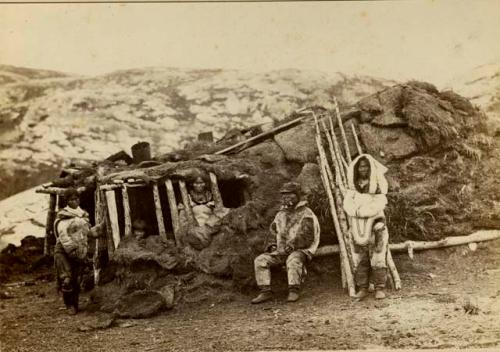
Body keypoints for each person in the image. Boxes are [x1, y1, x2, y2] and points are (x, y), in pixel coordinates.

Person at [251, 182, 320, 304]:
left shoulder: (306, 213)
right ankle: (265, 291)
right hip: (281, 250)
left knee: (293, 260)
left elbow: (307, 235)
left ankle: (294, 290)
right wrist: (272, 246)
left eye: (290, 195)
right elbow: (273, 231)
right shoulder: (280, 214)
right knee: (260, 260)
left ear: (297, 196)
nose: (286, 198)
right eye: (284, 195)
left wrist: (292, 245)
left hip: (300, 249)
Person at [343, 154, 390, 300]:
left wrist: (365, 212)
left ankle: (379, 287)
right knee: (360, 258)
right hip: (358, 225)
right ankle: (362, 287)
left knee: (378, 256)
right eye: (361, 166)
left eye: (366, 166)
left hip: (375, 223)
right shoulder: (353, 189)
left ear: (370, 168)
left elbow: (379, 203)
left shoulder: (377, 186)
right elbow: (348, 204)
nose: (363, 169)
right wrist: (356, 211)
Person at [53, 188, 104, 314]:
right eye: (71, 199)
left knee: (76, 278)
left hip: (79, 250)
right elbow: (63, 236)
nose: (74, 201)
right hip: (64, 250)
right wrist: (72, 251)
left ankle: (75, 305)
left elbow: (87, 233)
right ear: (67, 201)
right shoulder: (62, 216)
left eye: (76, 199)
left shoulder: (83, 215)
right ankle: (69, 305)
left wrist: (98, 229)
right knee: (67, 279)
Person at [179, 174, 229, 250]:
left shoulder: (211, 196)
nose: (199, 185)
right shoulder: (187, 198)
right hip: (194, 231)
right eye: (196, 183)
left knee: (224, 211)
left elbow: (220, 213)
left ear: (205, 183)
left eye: (201, 183)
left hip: (210, 229)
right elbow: (182, 219)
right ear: (192, 184)